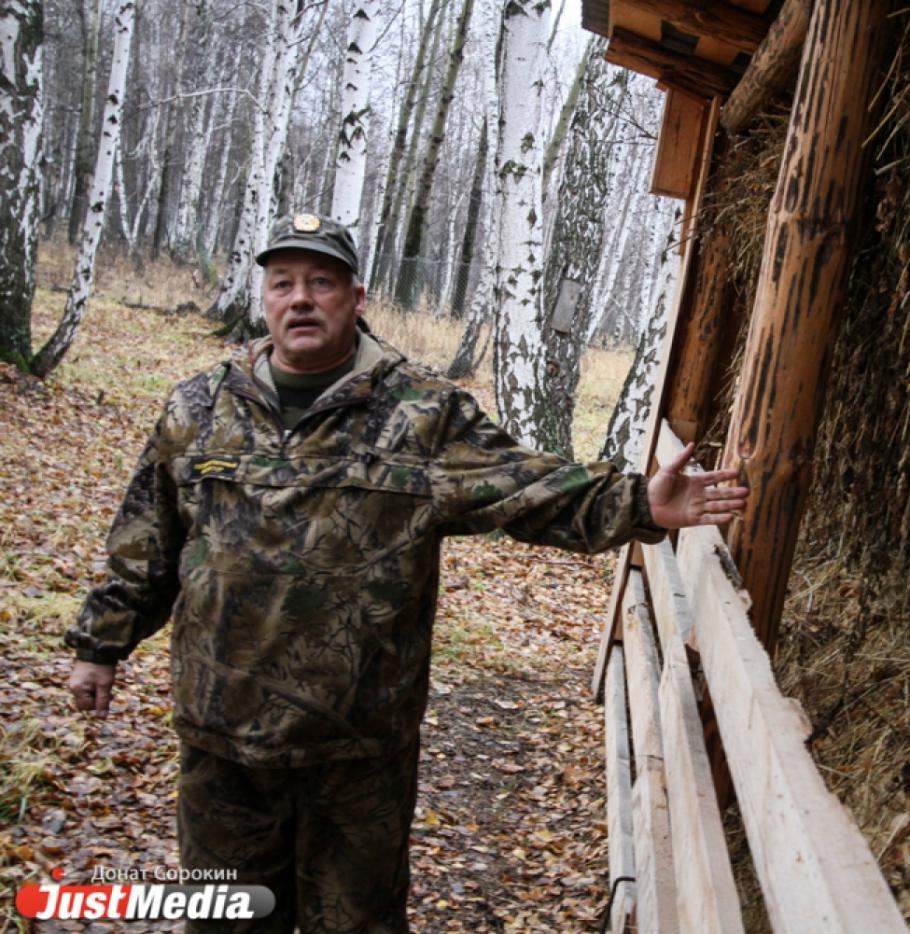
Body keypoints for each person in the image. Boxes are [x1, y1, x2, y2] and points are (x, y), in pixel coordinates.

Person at [64, 213, 747, 932]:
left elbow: (525, 487)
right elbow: (147, 539)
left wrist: (639, 503)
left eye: (322, 283)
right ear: (263, 297)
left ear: (356, 298)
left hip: (359, 747)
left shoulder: (420, 414)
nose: (301, 299)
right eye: (283, 283)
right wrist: (100, 643)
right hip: (221, 737)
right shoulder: (199, 407)